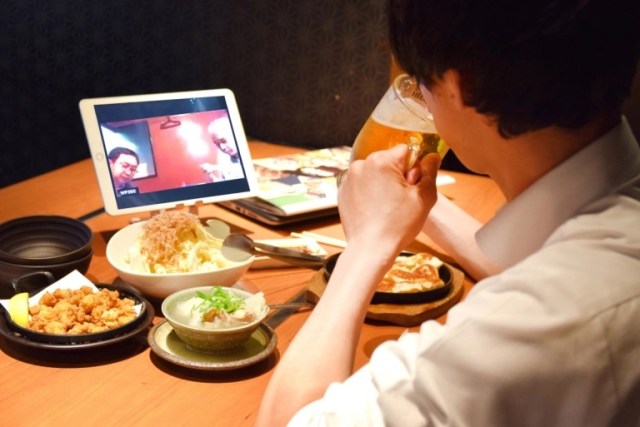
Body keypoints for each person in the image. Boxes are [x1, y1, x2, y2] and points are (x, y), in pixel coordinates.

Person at [256, 0, 640, 425]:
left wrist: (365, 248)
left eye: (421, 81)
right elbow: (535, 260)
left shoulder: (537, 326)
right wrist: (410, 209)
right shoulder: (614, 220)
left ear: (462, 85)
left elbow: (288, 420)